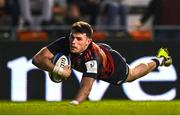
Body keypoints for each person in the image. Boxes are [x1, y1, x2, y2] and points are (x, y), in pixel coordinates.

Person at [32, 21, 172, 105]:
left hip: (112, 66)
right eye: (72, 37)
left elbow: (86, 88)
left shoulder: (92, 57)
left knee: (132, 74)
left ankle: (160, 59)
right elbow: (37, 59)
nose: (74, 42)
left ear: (88, 41)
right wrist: (59, 70)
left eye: (79, 39)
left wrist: (75, 103)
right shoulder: (65, 42)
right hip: (100, 49)